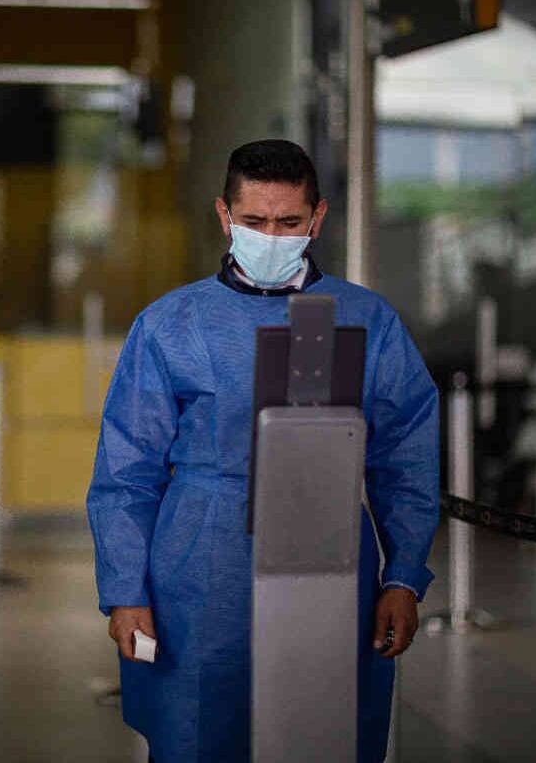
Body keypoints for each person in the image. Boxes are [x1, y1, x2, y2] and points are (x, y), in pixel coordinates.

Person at [86, 139, 439, 763]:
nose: (271, 235)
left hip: (330, 557)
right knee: (201, 732)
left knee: (320, 728)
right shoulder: (171, 323)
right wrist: (124, 590)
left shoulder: (368, 321)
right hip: (198, 562)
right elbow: (126, 473)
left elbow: (405, 458)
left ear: (317, 219)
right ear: (224, 216)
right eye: (254, 222)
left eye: (288, 223)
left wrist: (404, 575)